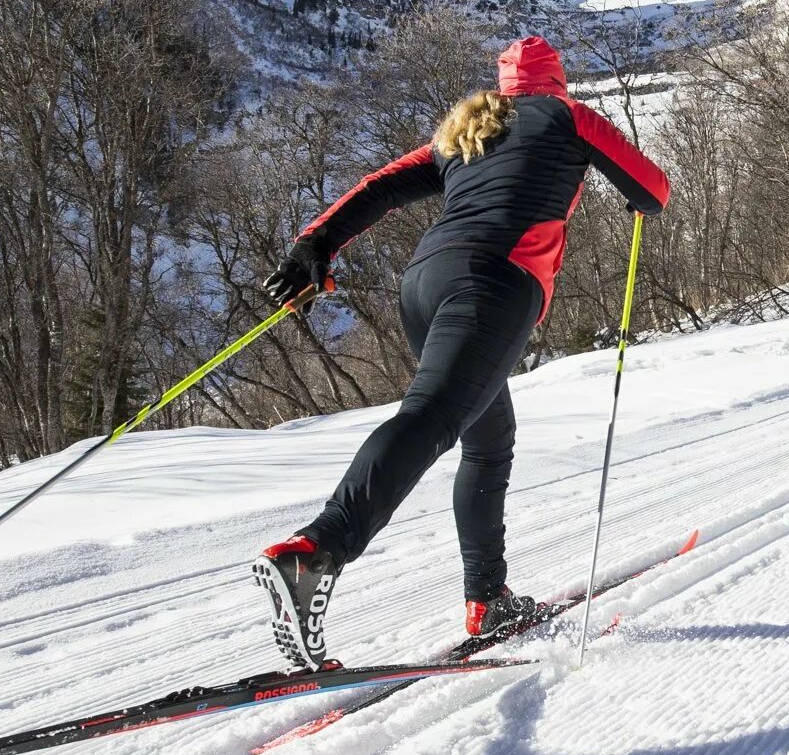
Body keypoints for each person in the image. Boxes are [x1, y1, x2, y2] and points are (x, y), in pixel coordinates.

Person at [251, 35, 669, 670]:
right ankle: (317, 549)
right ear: (555, 82)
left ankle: (487, 598)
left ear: (504, 86)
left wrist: (316, 244)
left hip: (425, 282)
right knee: (434, 416)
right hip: (494, 284)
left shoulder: (466, 130)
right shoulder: (569, 116)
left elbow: (380, 186)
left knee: (488, 436)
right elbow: (653, 189)